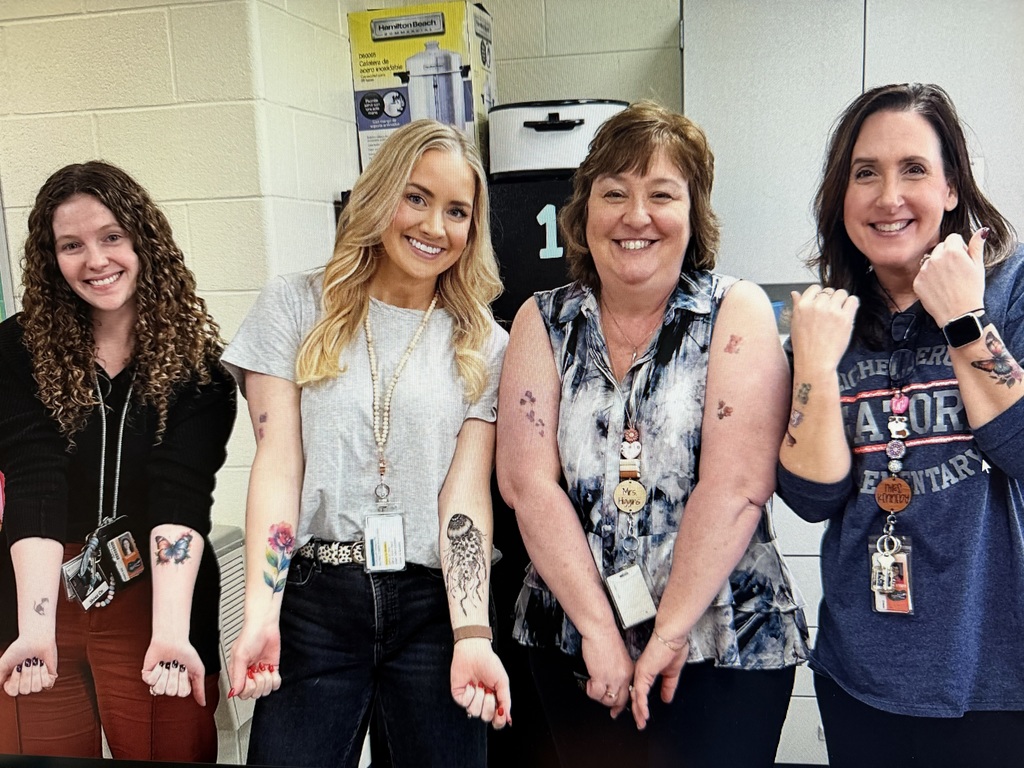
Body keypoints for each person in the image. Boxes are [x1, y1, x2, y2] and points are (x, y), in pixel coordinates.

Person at [496, 100, 808, 768]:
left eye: (661, 193)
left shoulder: (736, 309)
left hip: (723, 638)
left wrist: (666, 634)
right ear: (584, 213)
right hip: (576, 645)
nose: (636, 216)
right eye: (614, 193)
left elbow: (739, 485)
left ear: (693, 215)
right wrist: (600, 630)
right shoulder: (541, 321)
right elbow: (527, 484)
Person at [223, 119, 511, 768]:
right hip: (315, 601)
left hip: (431, 608)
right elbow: (278, 466)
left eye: (457, 211)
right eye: (416, 197)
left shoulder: (485, 344)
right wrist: (261, 614)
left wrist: (472, 632)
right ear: (378, 195)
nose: (435, 226)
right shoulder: (295, 307)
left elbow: (464, 499)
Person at [778, 82, 1024, 767]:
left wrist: (964, 320)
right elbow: (811, 498)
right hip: (861, 674)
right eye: (866, 173)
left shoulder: (1010, 288)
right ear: (842, 196)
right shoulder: (827, 321)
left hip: (996, 676)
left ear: (951, 188)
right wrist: (816, 369)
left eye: (914, 169)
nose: (889, 196)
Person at [0, 161, 236, 760]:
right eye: (71, 245)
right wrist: (34, 628)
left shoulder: (201, 369)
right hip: (40, 589)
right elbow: (35, 478)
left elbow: (178, 499)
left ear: (143, 240)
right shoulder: (15, 349)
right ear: (50, 257)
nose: (96, 260)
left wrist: (171, 630)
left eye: (112, 237)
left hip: (154, 592)